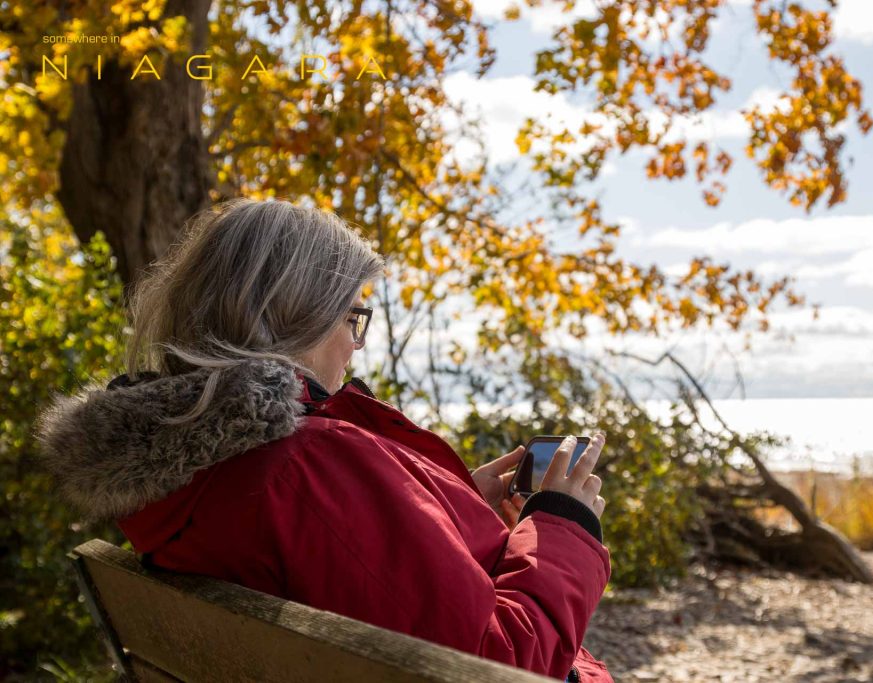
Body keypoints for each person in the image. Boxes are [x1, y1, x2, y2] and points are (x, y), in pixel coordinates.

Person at [36, 198, 614, 682]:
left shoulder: (189, 463)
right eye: (351, 319)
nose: (355, 345)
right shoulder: (307, 463)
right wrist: (564, 524)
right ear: (298, 317)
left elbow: (347, 562)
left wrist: (448, 505)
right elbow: (499, 665)